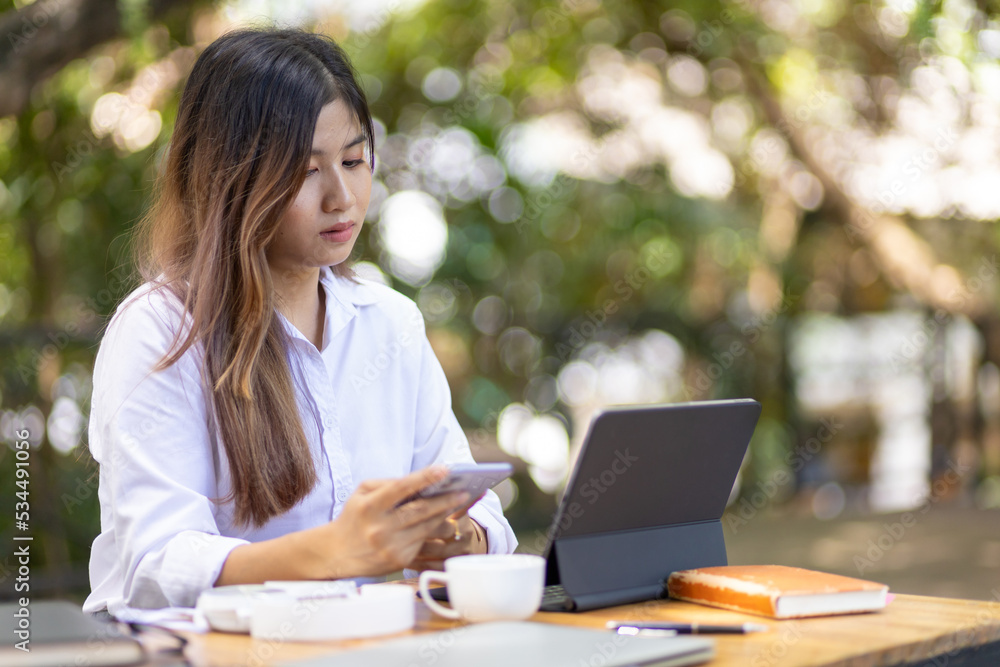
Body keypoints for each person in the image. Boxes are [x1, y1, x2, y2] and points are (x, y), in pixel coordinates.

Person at [83, 27, 516, 615]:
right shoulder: (163, 332)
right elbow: (156, 564)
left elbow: (477, 505)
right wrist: (335, 552)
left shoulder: (388, 323)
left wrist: (458, 538)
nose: (342, 196)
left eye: (355, 159)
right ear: (230, 177)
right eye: (306, 170)